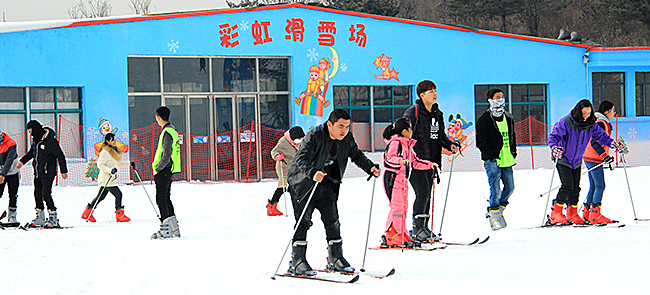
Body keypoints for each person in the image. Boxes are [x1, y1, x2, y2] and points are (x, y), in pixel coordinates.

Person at [286, 109, 380, 276]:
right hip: (303, 184)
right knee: (303, 222)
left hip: (328, 183)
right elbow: (301, 159)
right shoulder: (314, 135)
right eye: (340, 126)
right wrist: (312, 172)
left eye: (347, 127)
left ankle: (336, 257)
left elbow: (356, 155)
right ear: (330, 124)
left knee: (332, 221)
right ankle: (297, 260)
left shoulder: (347, 138)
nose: (344, 130)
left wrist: (370, 167)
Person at [548, 99, 624, 225]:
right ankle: (555, 213)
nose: (586, 116)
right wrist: (554, 147)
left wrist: (613, 144)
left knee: (576, 188)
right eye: (584, 113)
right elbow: (554, 136)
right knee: (567, 186)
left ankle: (572, 213)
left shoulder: (591, 124)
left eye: (588, 113)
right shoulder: (567, 122)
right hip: (563, 159)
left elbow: (602, 137)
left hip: (577, 160)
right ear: (578, 111)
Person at [402, 80, 459, 242]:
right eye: (430, 91)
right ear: (422, 95)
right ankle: (417, 228)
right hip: (416, 161)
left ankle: (424, 227)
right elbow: (402, 132)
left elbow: (441, 137)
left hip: (432, 161)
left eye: (435, 90)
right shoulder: (414, 112)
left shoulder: (437, 113)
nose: (434, 94)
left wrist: (451, 145)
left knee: (427, 195)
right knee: (422, 193)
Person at [381, 117, 436, 247]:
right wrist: (401, 161)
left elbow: (415, 162)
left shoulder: (406, 145)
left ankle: (401, 232)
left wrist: (429, 165)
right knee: (397, 207)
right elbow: (389, 159)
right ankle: (392, 235)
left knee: (403, 206)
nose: (412, 131)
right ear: (405, 131)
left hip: (402, 180)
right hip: (393, 178)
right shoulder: (396, 143)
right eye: (410, 128)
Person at [476, 89, 517, 230]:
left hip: (507, 159)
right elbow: (480, 141)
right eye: (497, 97)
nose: (500, 99)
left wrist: (513, 151)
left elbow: (512, 136)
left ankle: (499, 208)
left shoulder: (508, 117)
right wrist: (490, 155)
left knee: (510, 187)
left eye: (502, 97)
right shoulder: (484, 119)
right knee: (495, 188)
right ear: (490, 100)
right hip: (493, 159)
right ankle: (494, 212)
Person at [16, 120, 68, 228]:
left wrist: (63, 170)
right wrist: (22, 161)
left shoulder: (50, 141)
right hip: (38, 172)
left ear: (36, 129)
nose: (30, 134)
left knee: (46, 194)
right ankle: (40, 217)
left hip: (48, 172)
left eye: (31, 131)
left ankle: (53, 218)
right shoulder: (36, 140)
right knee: (37, 194)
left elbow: (60, 156)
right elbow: (31, 153)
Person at [81, 133, 135, 223]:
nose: (114, 141)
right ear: (107, 141)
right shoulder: (105, 152)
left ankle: (87, 213)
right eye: (112, 140)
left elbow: (117, 163)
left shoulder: (113, 151)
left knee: (100, 197)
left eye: (115, 139)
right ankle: (119, 215)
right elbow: (100, 165)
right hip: (107, 179)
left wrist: (129, 163)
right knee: (118, 194)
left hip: (110, 179)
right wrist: (110, 170)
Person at [582, 100, 617, 224]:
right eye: (613, 110)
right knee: (600, 185)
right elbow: (595, 141)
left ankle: (587, 213)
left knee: (594, 185)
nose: (614, 112)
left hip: (588, 156)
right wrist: (604, 156)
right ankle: (595, 215)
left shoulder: (598, 121)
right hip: (594, 157)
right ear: (606, 112)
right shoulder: (601, 123)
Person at [150, 106, 182, 239]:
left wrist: (158, 168)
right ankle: (174, 229)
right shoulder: (172, 130)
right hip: (169, 169)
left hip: (164, 170)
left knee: (161, 199)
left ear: (158, 117)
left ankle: (165, 230)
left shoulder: (167, 132)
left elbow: (166, 154)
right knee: (166, 198)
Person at [268, 126, 305, 216]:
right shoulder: (283, 141)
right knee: (283, 186)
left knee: (297, 185)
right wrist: (277, 156)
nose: (300, 140)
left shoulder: (299, 143)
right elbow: (274, 151)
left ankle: (300, 205)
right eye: (298, 138)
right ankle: (272, 207)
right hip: (283, 166)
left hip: (294, 167)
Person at [0, 129, 21, 223]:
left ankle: (12, 215)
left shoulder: (11, 143)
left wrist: (2, 174)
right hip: (1, 173)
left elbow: (9, 160)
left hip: (12, 172)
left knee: (13, 194)